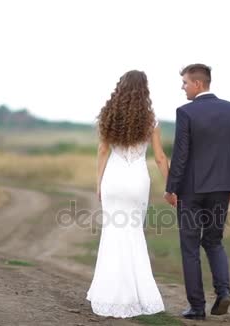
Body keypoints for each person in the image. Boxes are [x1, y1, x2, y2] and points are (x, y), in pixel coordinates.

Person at [164, 63, 230, 320]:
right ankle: (224, 292)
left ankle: (197, 307)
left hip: (191, 191)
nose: (183, 87)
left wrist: (171, 188)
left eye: (185, 83)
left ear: (198, 84)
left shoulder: (186, 112)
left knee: (189, 247)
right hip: (222, 187)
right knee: (213, 241)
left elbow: (180, 154)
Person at [87, 70, 168, 318]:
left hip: (114, 178)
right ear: (145, 90)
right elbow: (159, 157)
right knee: (133, 234)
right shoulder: (151, 120)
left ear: (119, 87)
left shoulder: (108, 116)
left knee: (112, 234)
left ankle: (109, 293)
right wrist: (171, 185)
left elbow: (103, 151)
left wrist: (99, 183)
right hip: (136, 181)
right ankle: (137, 294)